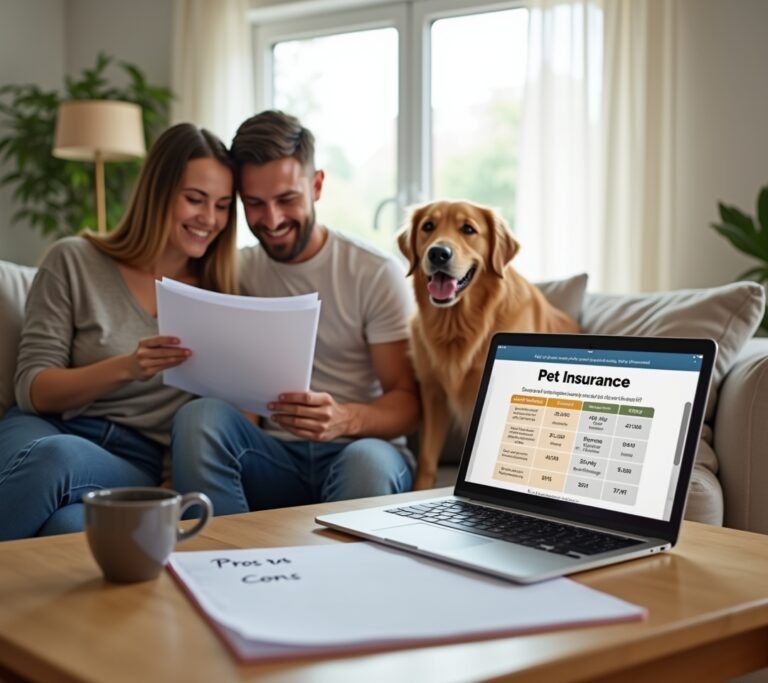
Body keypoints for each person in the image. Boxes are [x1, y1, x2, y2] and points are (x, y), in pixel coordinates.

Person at [171, 110, 420, 514]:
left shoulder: (374, 272)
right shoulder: (237, 270)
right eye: (254, 204)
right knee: (198, 417)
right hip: (274, 456)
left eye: (287, 199)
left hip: (358, 448)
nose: (271, 220)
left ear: (317, 185)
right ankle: (225, 553)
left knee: (368, 464)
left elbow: (408, 403)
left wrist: (344, 419)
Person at [0, 123, 238, 540]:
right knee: (60, 492)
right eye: (195, 199)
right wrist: (127, 367)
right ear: (156, 193)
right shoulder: (73, 260)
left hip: (132, 458)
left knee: (70, 524)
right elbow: (33, 389)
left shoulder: (219, 296)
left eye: (222, 205)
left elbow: (232, 406)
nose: (210, 219)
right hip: (46, 430)